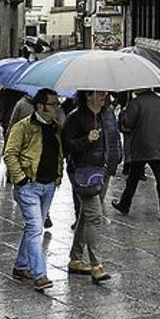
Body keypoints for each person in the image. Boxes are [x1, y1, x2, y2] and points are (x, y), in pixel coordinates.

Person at [3, 88, 63, 291]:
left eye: (57, 104)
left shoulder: (56, 127)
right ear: (40, 106)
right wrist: (20, 179)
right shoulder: (23, 127)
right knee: (36, 228)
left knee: (32, 228)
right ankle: (39, 274)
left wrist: (58, 176)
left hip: (48, 185)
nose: (56, 107)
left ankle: (21, 266)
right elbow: (9, 153)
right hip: (29, 185)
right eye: (53, 104)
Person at [63, 91, 122, 283]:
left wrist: (115, 161)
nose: (105, 95)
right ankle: (96, 265)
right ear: (88, 95)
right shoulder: (75, 117)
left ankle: (76, 259)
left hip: (103, 171)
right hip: (84, 173)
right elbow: (67, 146)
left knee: (86, 216)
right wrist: (87, 140)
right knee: (95, 217)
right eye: (100, 93)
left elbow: (114, 140)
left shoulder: (108, 113)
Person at [111, 89, 160, 223]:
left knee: (133, 177)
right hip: (158, 145)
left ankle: (124, 204)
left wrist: (123, 113)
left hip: (141, 145)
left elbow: (127, 123)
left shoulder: (136, 103)